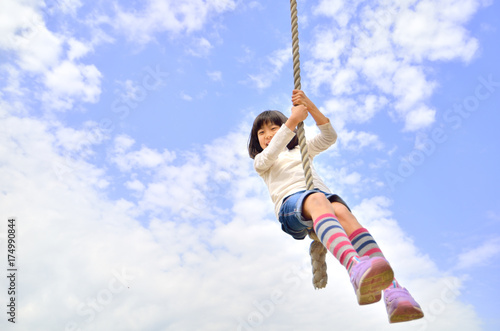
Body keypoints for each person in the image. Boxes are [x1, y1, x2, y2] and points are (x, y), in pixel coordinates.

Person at [247, 90, 424, 323]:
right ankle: (355, 267)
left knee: (343, 212)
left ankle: (394, 291)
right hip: (291, 208)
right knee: (320, 199)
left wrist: (309, 106)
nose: (268, 135)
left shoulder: (301, 150)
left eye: (273, 128)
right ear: (256, 139)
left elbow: (328, 136)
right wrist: (292, 121)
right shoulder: (262, 162)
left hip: (321, 202)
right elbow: (271, 152)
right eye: (262, 132)